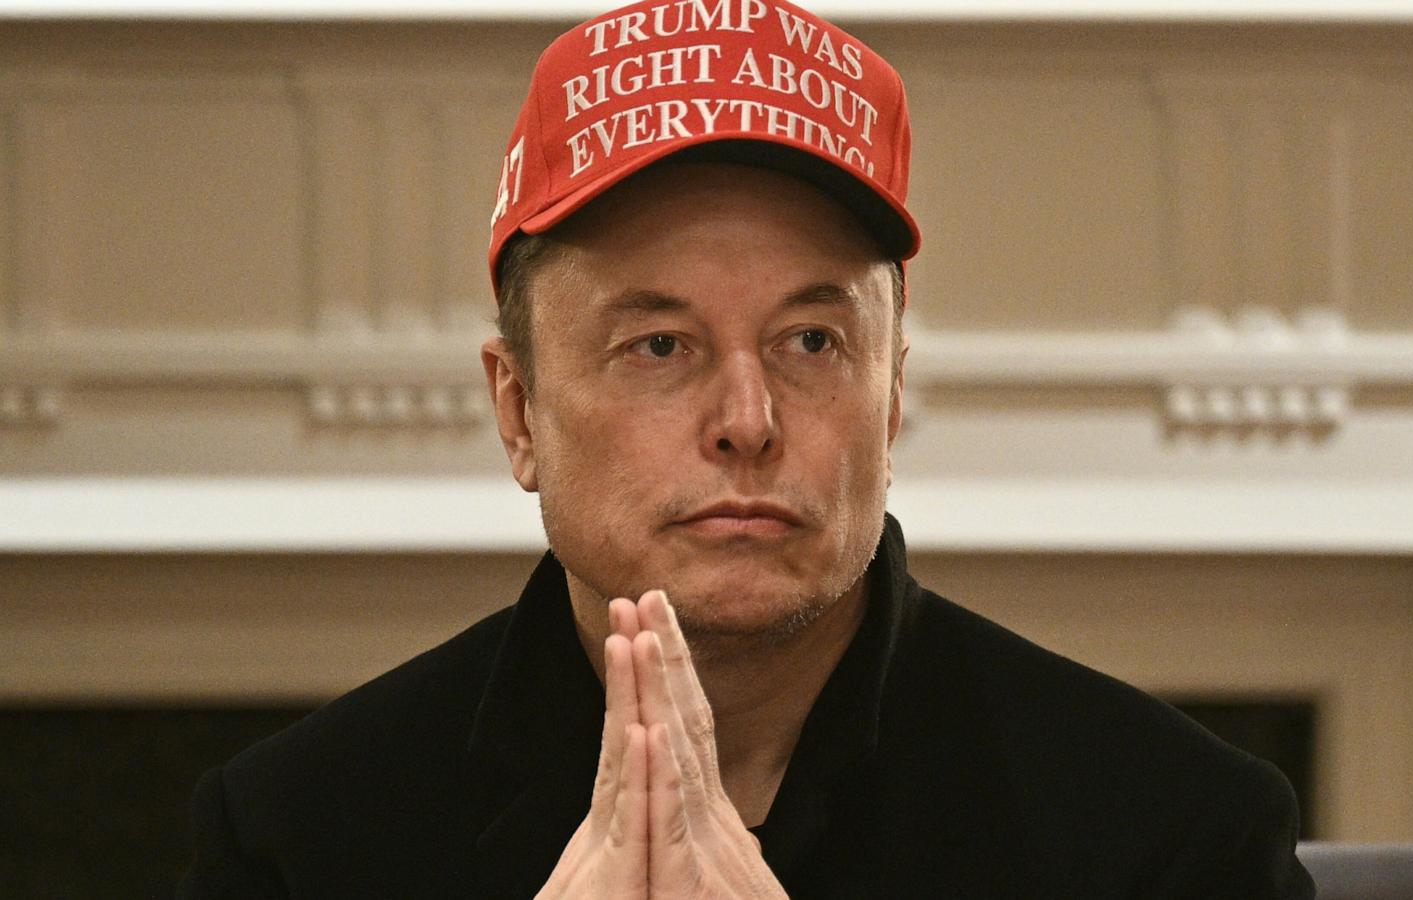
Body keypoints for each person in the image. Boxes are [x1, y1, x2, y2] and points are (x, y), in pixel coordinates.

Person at [180, 0, 1315, 896]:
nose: (747, 418)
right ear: (518, 413)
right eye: (658, 345)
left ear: (891, 397)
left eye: (811, 341)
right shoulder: (298, 838)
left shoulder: (1171, 834)